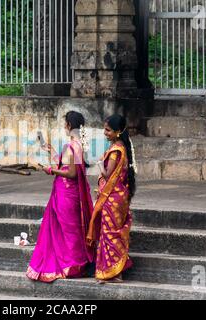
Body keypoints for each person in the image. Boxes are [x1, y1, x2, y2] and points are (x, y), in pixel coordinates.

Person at [26, 111, 94, 282]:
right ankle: (75, 264)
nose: (64, 127)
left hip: (66, 193)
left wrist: (49, 170)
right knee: (70, 229)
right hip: (70, 193)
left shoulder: (71, 146)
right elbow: (65, 164)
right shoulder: (77, 144)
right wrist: (50, 149)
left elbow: (70, 173)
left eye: (65, 124)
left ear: (69, 125)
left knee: (68, 230)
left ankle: (71, 265)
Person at [86, 114, 137, 283]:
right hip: (119, 197)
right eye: (105, 129)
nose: (104, 133)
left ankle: (113, 273)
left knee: (109, 234)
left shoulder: (115, 151)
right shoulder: (122, 146)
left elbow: (108, 175)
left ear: (118, 131)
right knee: (114, 233)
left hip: (112, 198)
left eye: (108, 130)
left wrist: (100, 166)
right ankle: (113, 271)